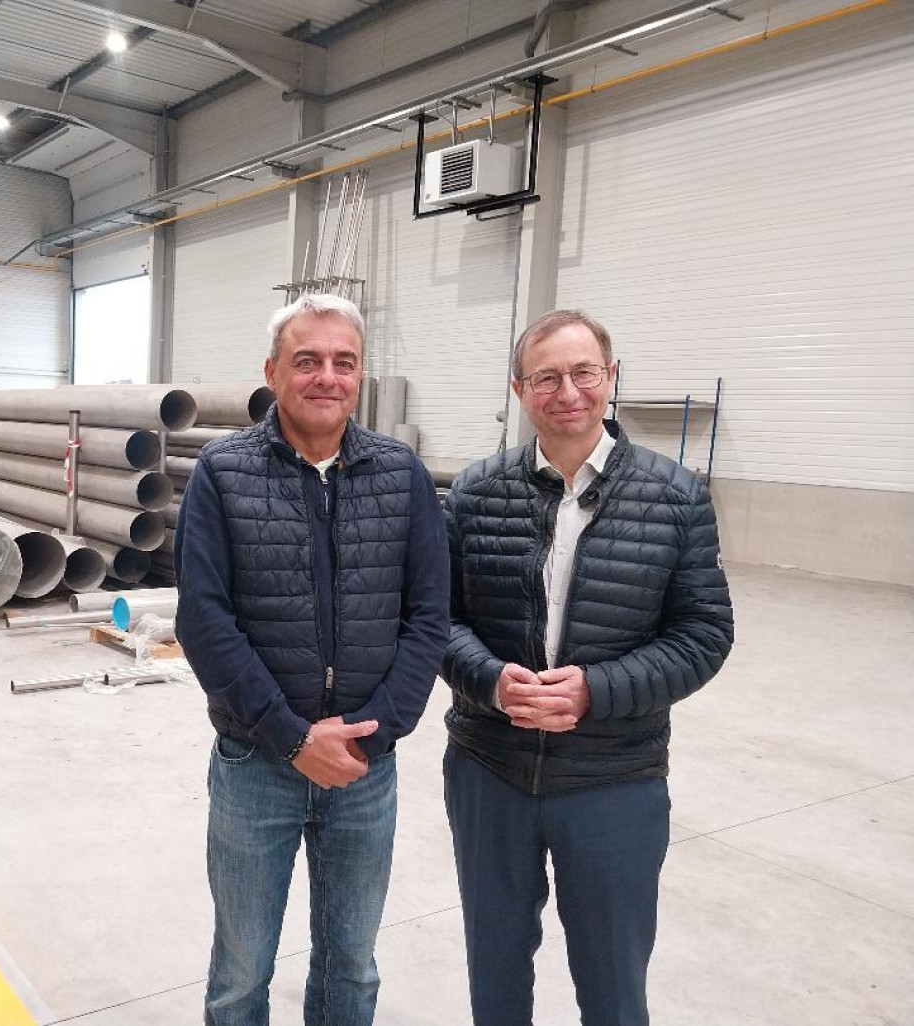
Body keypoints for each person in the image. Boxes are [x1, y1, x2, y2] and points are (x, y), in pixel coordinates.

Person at [441, 309, 734, 1026]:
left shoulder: (676, 498)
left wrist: (596, 692)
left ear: (611, 379)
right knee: (496, 969)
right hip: (491, 771)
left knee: (612, 982)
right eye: (546, 377)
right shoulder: (476, 494)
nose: (566, 391)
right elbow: (436, 621)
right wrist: (488, 679)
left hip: (614, 780)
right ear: (519, 390)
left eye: (583, 372)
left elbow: (704, 632)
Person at [175, 293, 449, 1026]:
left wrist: (376, 730)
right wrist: (292, 738)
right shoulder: (223, 472)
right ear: (273, 371)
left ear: (361, 375)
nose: (326, 376)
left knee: (351, 967)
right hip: (255, 763)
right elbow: (203, 620)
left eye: (343, 362)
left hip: (365, 767)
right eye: (308, 361)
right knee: (241, 970)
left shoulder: (400, 474)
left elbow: (429, 616)